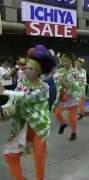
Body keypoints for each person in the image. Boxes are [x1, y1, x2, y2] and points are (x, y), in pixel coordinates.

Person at [2, 44, 56, 180]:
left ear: (38, 71)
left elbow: (25, 99)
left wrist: (5, 91)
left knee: (39, 157)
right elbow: (14, 103)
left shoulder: (44, 87)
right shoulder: (21, 85)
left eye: (30, 68)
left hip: (39, 126)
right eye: (25, 67)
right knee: (10, 155)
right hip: (22, 126)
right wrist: (7, 111)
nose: (26, 70)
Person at [53, 53, 80, 141]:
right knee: (57, 113)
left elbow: (76, 87)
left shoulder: (75, 72)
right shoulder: (60, 71)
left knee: (72, 118)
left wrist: (64, 82)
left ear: (71, 61)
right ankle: (63, 124)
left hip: (72, 98)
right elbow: (55, 81)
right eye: (64, 61)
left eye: (67, 60)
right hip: (61, 97)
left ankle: (73, 132)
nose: (65, 63)